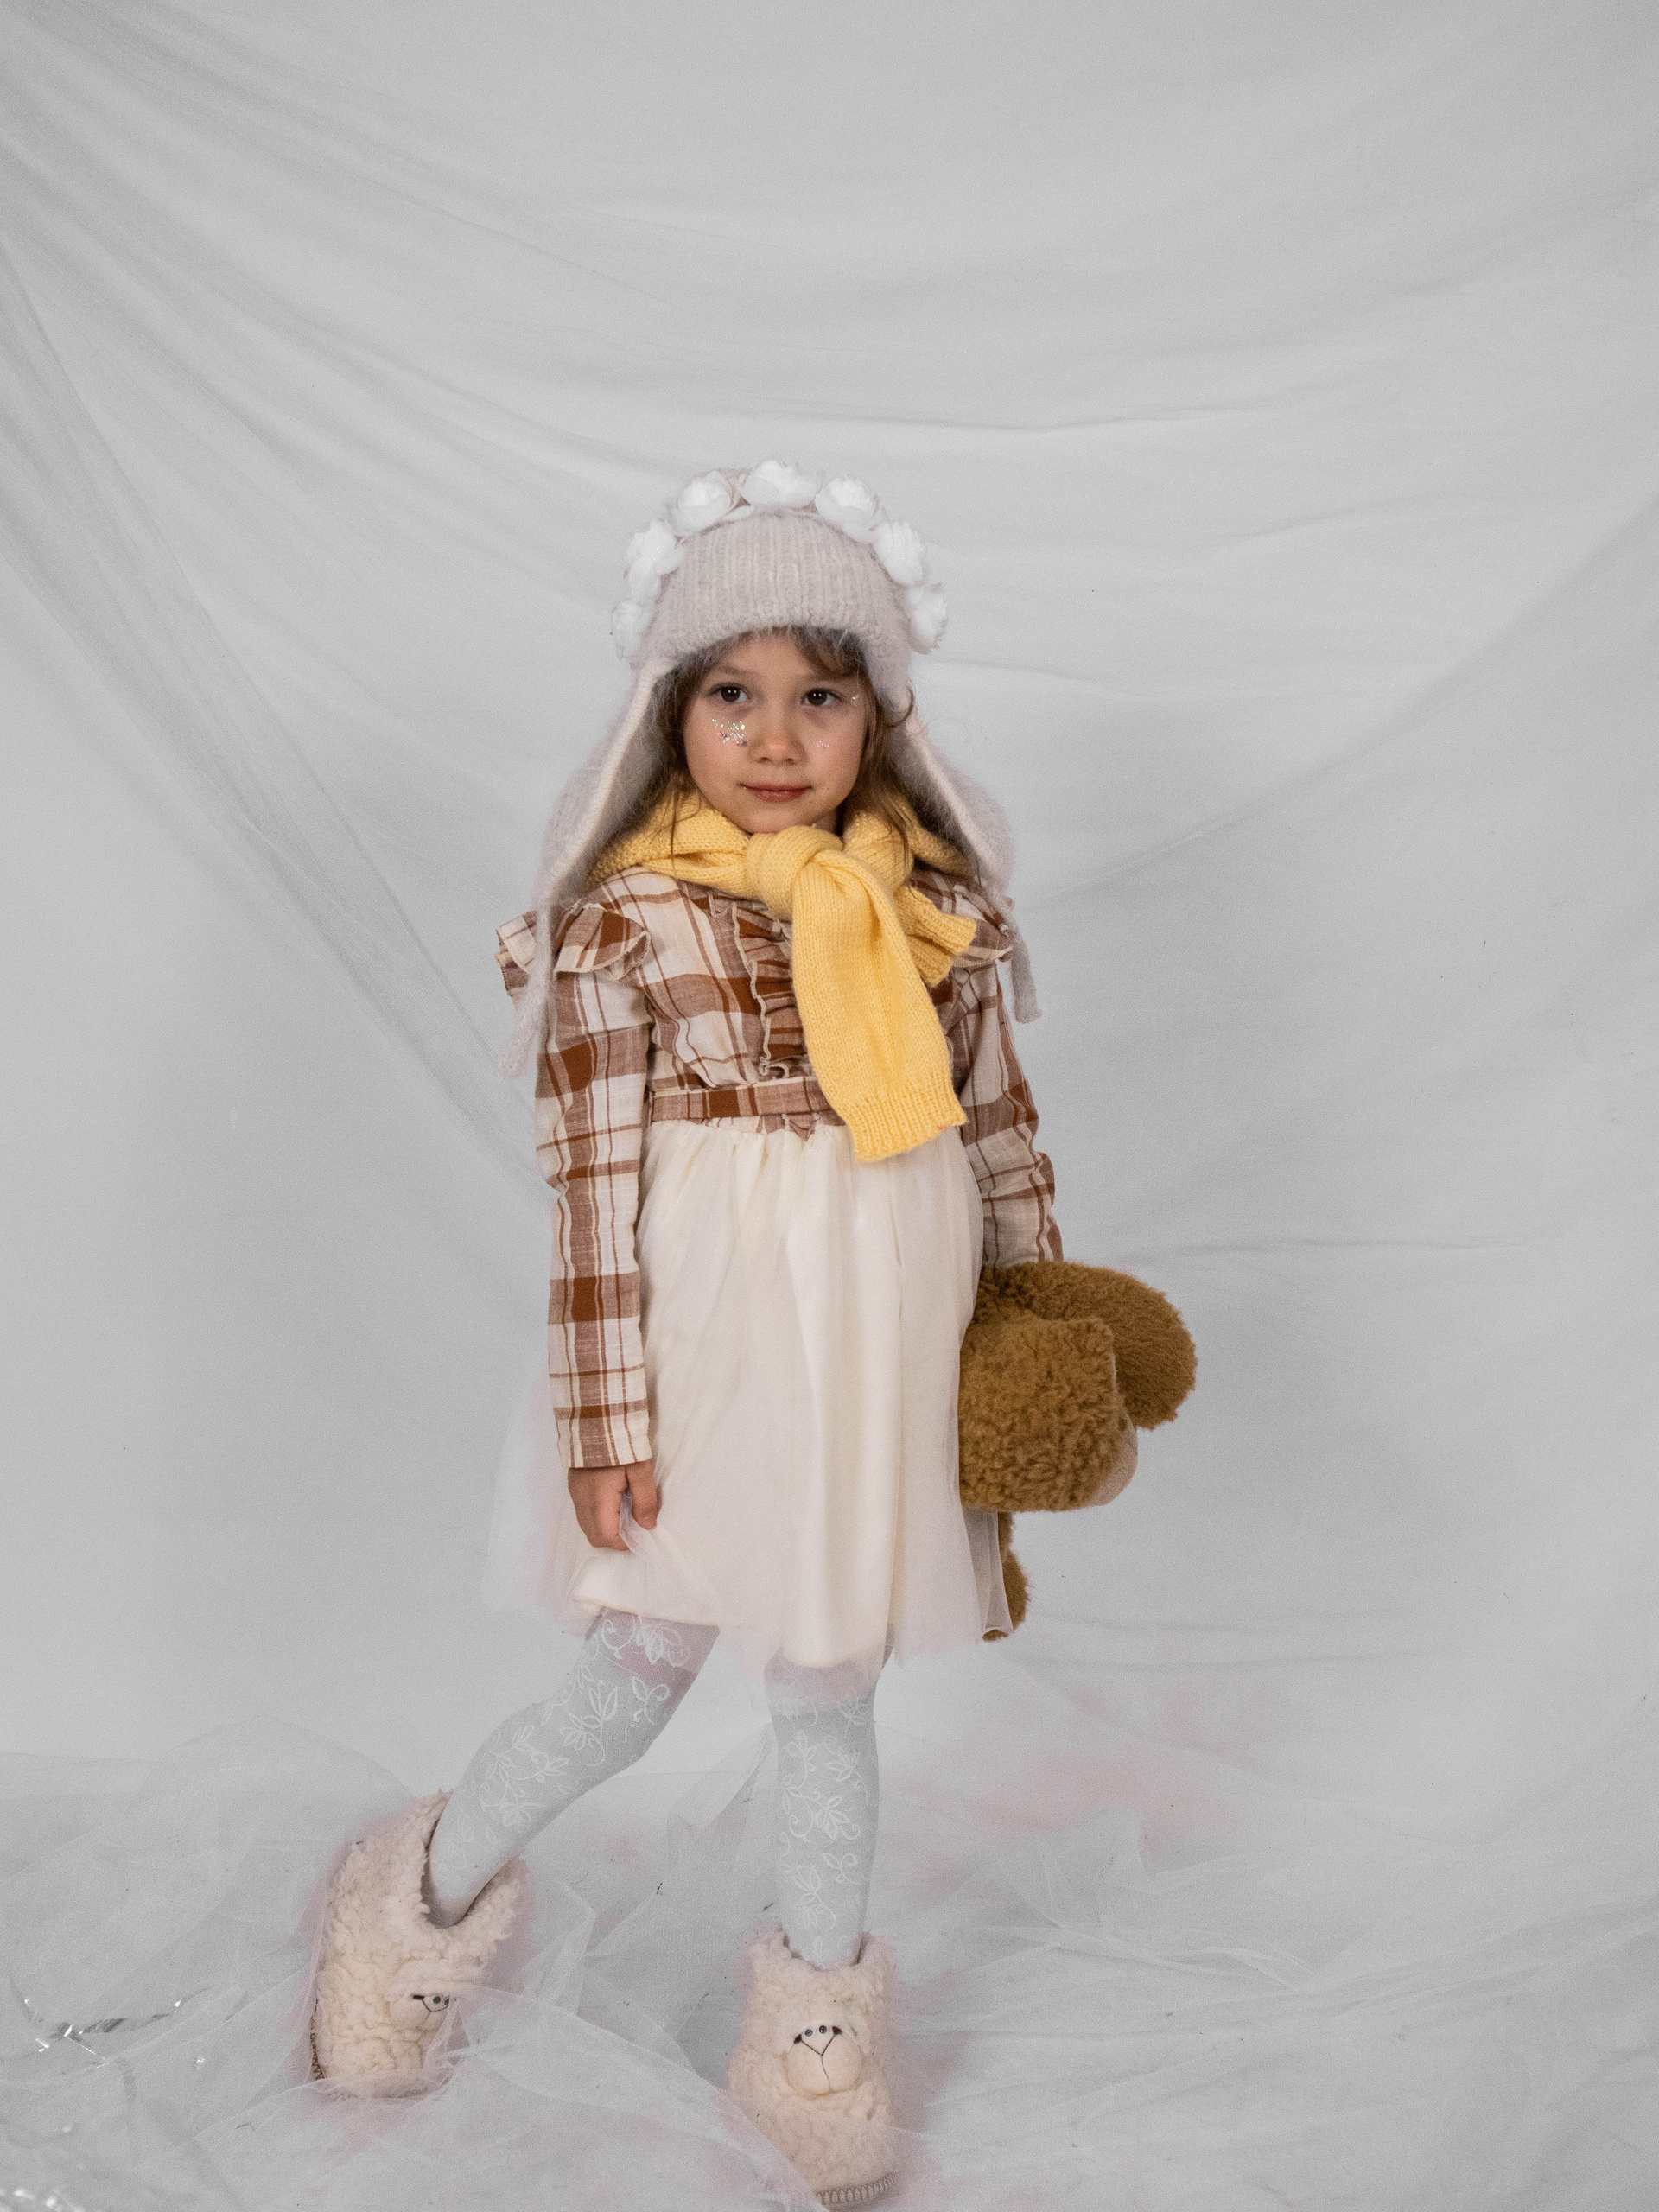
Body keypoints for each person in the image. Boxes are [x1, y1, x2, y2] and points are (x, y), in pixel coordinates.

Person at [308, 461, 1062, 2205]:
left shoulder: (933, 907)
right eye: (734, 693)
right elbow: (590, 1194)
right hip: (709, 1348)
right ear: (671, 710)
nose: (778, 736)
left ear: (881, 717)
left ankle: (816, 2024)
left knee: (828, 1691)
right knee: (634, 1679)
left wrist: (1041, 1326)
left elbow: (1001, 1134)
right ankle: (410, 1903)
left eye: (822, 695)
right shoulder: (626, 918)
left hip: (878, 1355)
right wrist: (605, 1415)